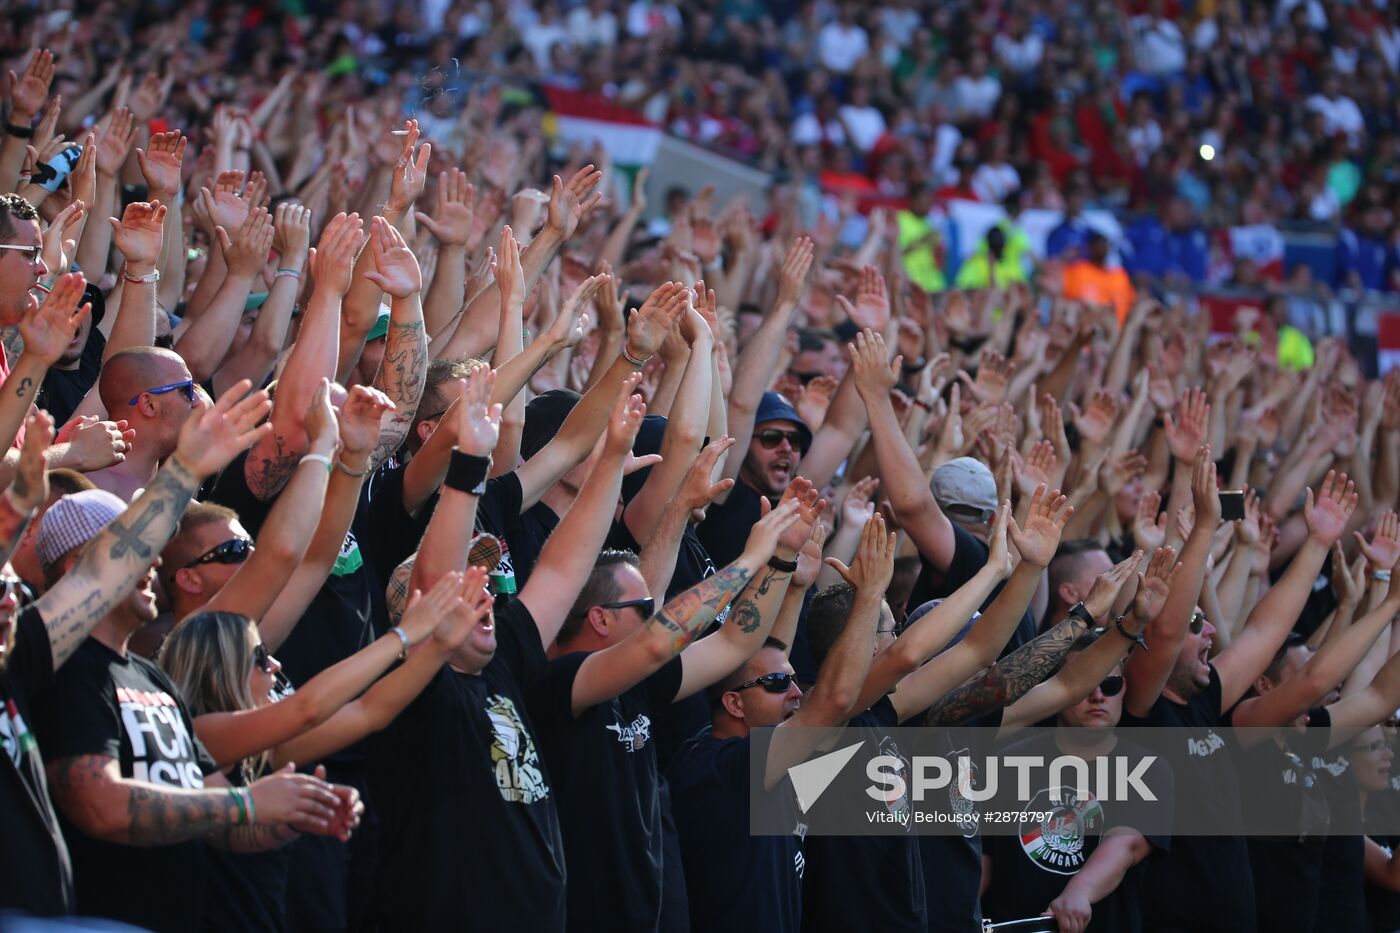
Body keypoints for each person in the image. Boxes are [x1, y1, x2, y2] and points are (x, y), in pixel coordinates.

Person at [671, 512, 893, 933]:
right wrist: (869, 596)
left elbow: (770, 660)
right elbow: (835, 699)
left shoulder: (725, 749)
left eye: (793, 681)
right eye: (779, 685)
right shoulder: (724, 768)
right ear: (734, 704)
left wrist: (796, 585)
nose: (796, 693)